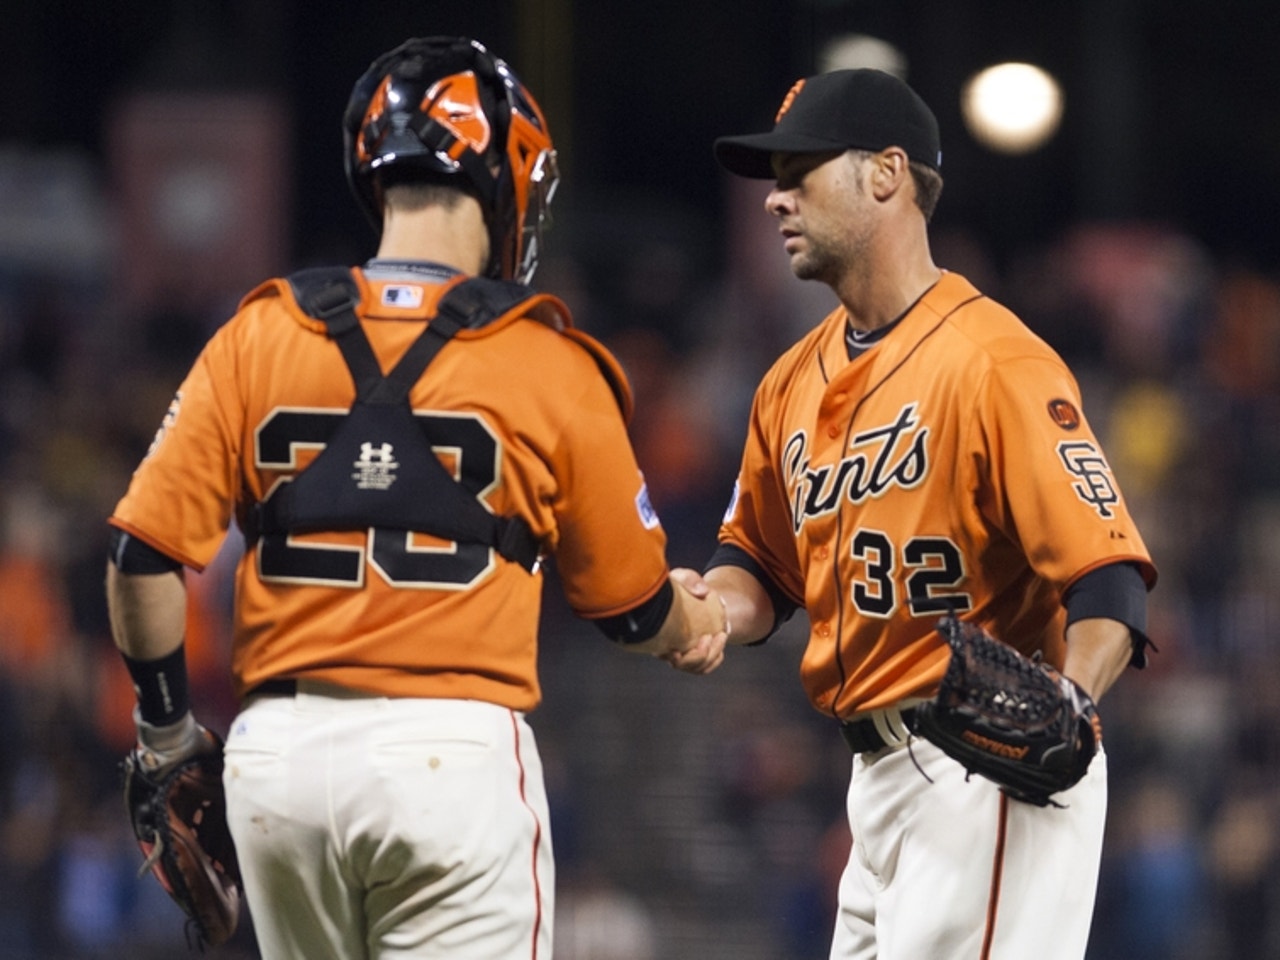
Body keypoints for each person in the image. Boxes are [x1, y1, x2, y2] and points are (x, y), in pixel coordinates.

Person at [105, 36, 727, 960]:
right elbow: (632, 606)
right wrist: (700, 625)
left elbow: (141, 559)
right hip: (450, 758)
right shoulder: (546, 358)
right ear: (507, 173)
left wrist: (165, 739)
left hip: (277, 762)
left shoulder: (260, 331)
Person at [692, 68, 1158, 958]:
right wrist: (706, 607)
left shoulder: (993, 359)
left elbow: (1109, 586)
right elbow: (755, 565)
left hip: (987, 763)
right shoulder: (787, 382)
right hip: (874, 783)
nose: (774, 200)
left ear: (886, 173)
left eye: (800, 172)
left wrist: (1069, 701)